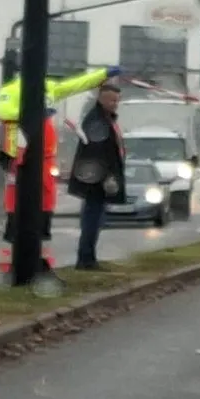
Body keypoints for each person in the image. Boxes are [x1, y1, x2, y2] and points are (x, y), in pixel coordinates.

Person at [0, 65, 116, 275]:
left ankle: (42, 261)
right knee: (16, 209)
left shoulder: (48, 88)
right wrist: (34, 113)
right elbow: (4, 112)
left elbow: (75, 85)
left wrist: (103, 74)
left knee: (45, 209)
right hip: (19, 156)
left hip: (45, 158)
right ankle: (10, 262)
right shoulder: (11, 90)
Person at [68, 83, 125, 270]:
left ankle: (88, 258)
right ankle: (86, 260)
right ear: (101, 99)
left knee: (96, 219)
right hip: (95, 180)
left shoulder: (106, 119)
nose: (115, 104)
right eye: (111, 100)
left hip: (97, 178)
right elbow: (96, 151)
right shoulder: (97, 121)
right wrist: (107, 176)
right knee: (92, 219)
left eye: (117, 100)